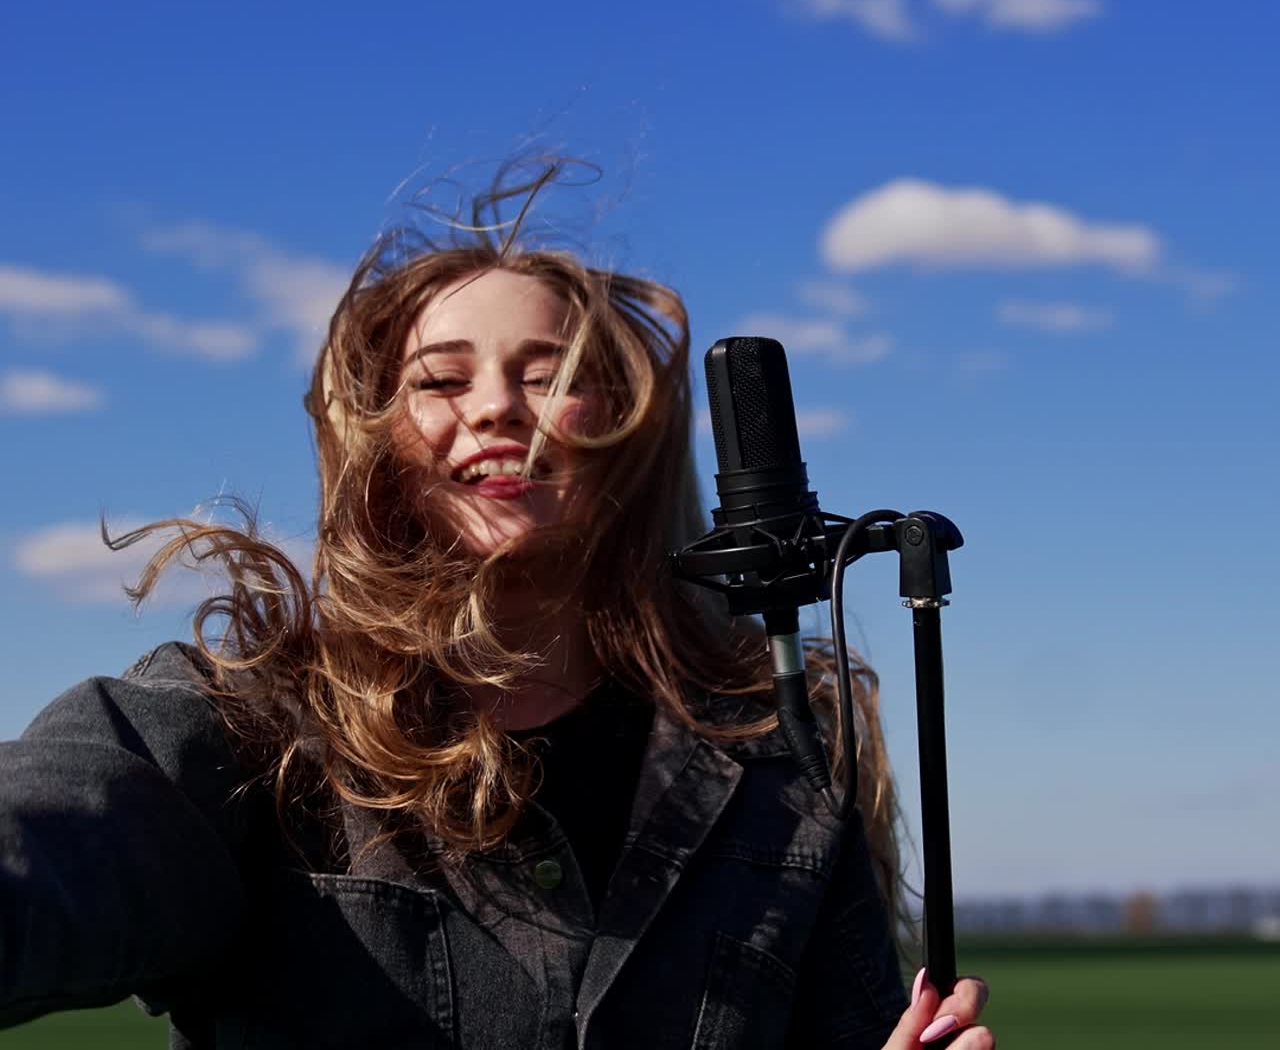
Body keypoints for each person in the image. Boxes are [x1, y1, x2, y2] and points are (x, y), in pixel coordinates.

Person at [0, 163, 994, 1048]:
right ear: (380, 440)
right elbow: (49, 841)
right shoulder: (250, 722)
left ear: (626, 431)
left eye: (549, 374)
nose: (495, 405)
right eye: (440, 379)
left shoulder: (775, 751)